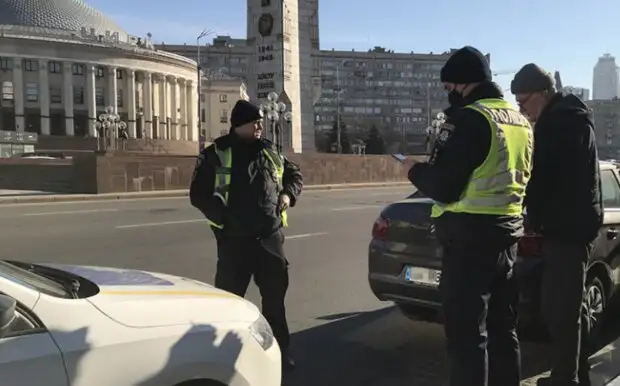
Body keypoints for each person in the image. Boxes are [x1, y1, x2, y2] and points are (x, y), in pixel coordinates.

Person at [408, 46, 533, 386]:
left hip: (468, 242)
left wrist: (414, 170)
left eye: (449, 88)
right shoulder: (520, 121)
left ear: (463, 85)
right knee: (504, 331)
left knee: (466, 339)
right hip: (507, 237)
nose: (448, 95)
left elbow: (445, 186)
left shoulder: (471, 118)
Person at [189, 99, 303, 371]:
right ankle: (224, 358)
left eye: (261, 122)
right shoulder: (215, 153)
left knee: (275, 303)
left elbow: (294, 175)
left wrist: (288, 194)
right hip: (234, 242)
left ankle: (279, 355)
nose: (261, 126)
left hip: (269, 238)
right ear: (240, 124)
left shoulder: (270, 151)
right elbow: (197, 194)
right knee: (229, 303)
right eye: (256, 122)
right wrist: (224, 220)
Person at [511, 64, 603, 386]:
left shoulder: (558, 124)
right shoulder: (570, 118)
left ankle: (566, 379)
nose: (522, 110)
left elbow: (544, 180)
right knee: (566, 308)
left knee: (559, 310)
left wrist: (528, 204)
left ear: (542, 94)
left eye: (523, 102)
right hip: (573, 225)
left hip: (567, 229)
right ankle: (576, 374)